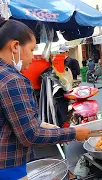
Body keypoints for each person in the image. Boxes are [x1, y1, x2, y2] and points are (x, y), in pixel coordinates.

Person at [0, 18, 91, 180]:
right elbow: (30, 135)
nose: (33, 56)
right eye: (32, 49)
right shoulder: (13, 80)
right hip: (8, 167)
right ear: (15, 46)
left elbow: (11, 117)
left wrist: (43, 124)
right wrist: (73, 133)